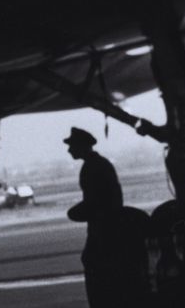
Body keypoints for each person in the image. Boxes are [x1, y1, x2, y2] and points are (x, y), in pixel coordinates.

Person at [64, 126, 135, 308]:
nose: (69, 149)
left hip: (104, 230)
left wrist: (74, 213)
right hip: (107, 228)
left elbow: (96, 202)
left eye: (72, 145)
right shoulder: (98, 164)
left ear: (81, 146)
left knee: (97, 268)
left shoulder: (92, 167)